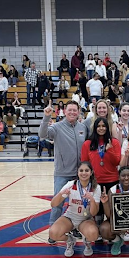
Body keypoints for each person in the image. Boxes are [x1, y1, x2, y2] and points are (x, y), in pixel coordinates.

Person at [39, 101, 88, 240]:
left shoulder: (83, 127)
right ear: (64, 111)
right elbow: (42, 134)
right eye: (70, 110)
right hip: (62, 173)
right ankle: (52, 229)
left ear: (78, 112)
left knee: (78, 203)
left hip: (80, 174)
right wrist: (46, 117)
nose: (72, 113)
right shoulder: (57, 127)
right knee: (58, 202)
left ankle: (76, 228)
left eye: (75, 110)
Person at [49, 162, 101, 257]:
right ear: (77, 173)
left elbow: (94, 212)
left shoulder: (96, 188)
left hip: (85, 219)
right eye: (81, 170)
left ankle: (87, 241)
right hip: (70, 217)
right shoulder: (70, 184)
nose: (84, 173)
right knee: (53, 233)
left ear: (91, 172)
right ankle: (70, 240)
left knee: (93, 235)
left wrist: (92, 200)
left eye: (86, 170)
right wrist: (62, 194)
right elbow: (53, 204)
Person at [81, 117, 121, 224]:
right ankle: (98, 232)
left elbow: (117, 162)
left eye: (103, 126)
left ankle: (112, 232)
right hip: (95, 182)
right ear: (95, 128)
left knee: (112, 209)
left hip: (112, 181)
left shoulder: (114, 142)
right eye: (98, 126)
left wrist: (110, 150)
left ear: (107, 128)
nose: (101, 128)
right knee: (97, 210)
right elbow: (85, 164)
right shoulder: (87, 144)